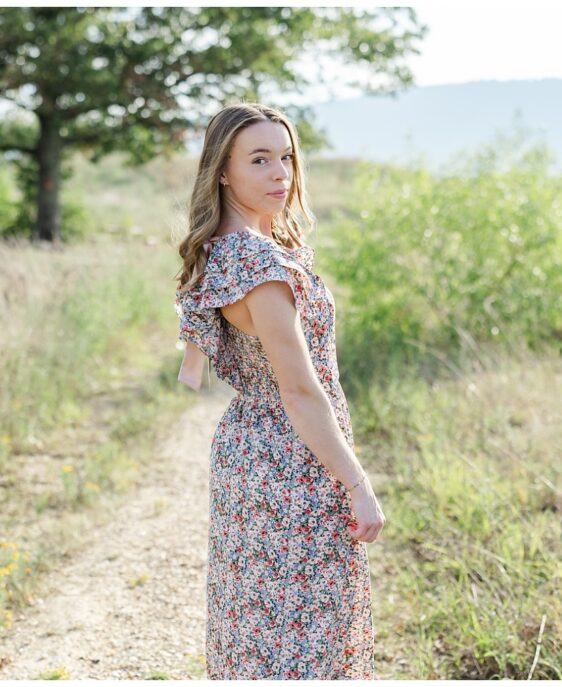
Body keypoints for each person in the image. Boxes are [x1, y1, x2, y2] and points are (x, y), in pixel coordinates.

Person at [174, 102, 386, 679]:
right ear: (223, 170)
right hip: (292, 460)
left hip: (250, 451)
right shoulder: (257, 263)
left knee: (257, 628)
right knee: (304, 638)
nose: (280, 174)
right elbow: (299, 391)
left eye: (286, 157)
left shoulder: (225, 248)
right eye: (259, 160)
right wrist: (358, 484)